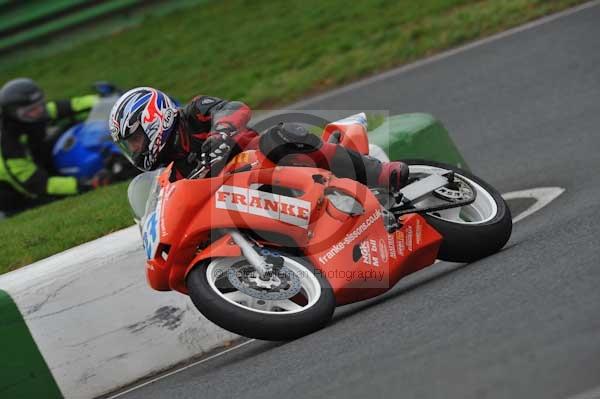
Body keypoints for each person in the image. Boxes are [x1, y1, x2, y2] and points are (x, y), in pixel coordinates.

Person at [109, 86, 408, 190]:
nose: (135, 149)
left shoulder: (194, 113)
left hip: (267, 161)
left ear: (152, 119)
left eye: (134, 140)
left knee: (279, 137)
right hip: (246, 199)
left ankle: (379, 173)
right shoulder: (174, 175)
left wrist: (222, 133)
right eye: (130, 146)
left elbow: (236, 108)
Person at [0, 78, 108, 216]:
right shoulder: (9, 145)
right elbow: (40, 185)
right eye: (32, 110)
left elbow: (73, 105)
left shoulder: (36, 113)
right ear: (14, 114)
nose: (39, 111)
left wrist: (106, 101)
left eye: (40, 104)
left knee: (66, 128)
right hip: (20, 195)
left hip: (37, 171)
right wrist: (84, 184)